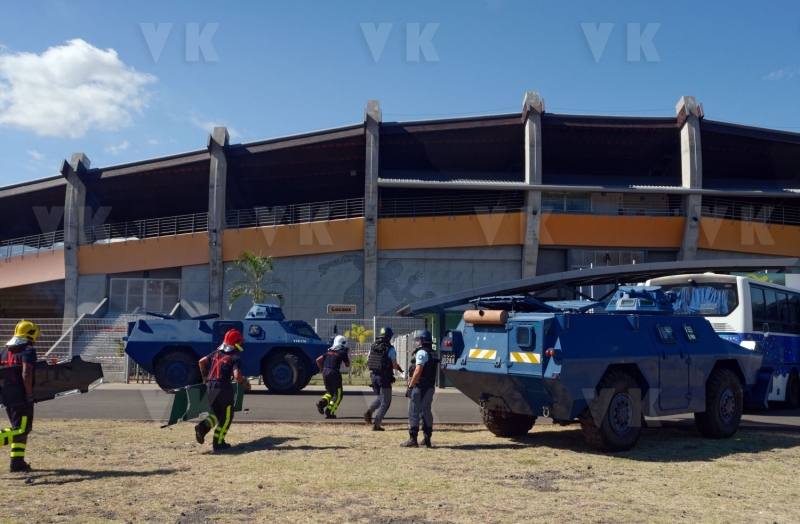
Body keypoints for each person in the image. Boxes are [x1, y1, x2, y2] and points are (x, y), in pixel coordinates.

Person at [195, 329, 251, 451]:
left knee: (216, 413)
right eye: (240, 342)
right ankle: (218, 442)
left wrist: (205, 377)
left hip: (210, 387)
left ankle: (202, 427)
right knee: (227, 416)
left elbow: (201, 362)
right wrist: (244, 384)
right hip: (223, 388)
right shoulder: (235, 358)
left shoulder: (215, 353)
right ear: (236, 343)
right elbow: (237, 376)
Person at [0, 320, 40, 472]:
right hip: (21, 395)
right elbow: (26, 373)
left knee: (17, 427)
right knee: (23, 429)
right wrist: (29, 394)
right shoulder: (28, 350)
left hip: (7, 395)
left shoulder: (5, 350)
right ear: (31, 334)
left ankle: (17, 462)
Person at [401, 329, 438, 448]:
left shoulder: (421, 353)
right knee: (426, 411)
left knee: (414, 411)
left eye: (418, 340)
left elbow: (418, 370)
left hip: (420, 387)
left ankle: (413, 439)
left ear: (423, 341)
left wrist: (410, 385)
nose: (416, 342)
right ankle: (427, 439)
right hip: (430, 387)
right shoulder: (433, 352)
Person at [363, 326, 402, 431]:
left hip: (373, 376)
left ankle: (369, 411)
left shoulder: (373, 346)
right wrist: (395, 366)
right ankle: (376, 424)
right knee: (386, 401)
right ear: (389, 337)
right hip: (383, 377)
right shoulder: (390, 348)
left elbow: (368, 359)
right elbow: (394, 366)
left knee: (381, 397)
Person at [315, 335, 350, 419]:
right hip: (334, 373)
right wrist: (346, 354)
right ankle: (329, 412)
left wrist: (322, 370)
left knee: (329, 392)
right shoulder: (342, 352)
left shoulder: (329, 351)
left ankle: (322, 403)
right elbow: (347, 365)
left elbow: (318, 360)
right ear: (343, 343)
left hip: (325, 372)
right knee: (338, 395)